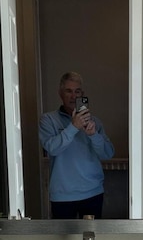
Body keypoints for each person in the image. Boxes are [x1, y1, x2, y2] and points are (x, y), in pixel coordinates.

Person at [38, 71, 115, 219]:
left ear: (82, 94)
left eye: (77, 91)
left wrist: (93, 135)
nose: (73, 96)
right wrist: (73, 127)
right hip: (62, 195)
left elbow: (108, 153)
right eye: (68, 91)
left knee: (91, 239)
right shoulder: (48, 120)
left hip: (93, 192)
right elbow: (52, 149)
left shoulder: (94, 122)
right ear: (60, 93)